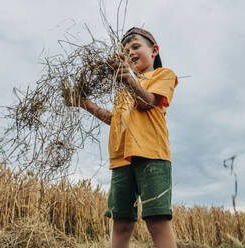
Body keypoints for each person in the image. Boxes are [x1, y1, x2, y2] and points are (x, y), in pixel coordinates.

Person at [68, 27, 178, 248]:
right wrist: (85, 103)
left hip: (152, 155)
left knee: (157, 220)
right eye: (126, 51)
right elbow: (115, 119)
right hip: (121, 159)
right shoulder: (123, 91)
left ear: (154, 50)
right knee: (121, 222)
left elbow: (147, 102)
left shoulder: (163, 75)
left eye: (136, 47)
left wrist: (129, 79)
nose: (131, 52)